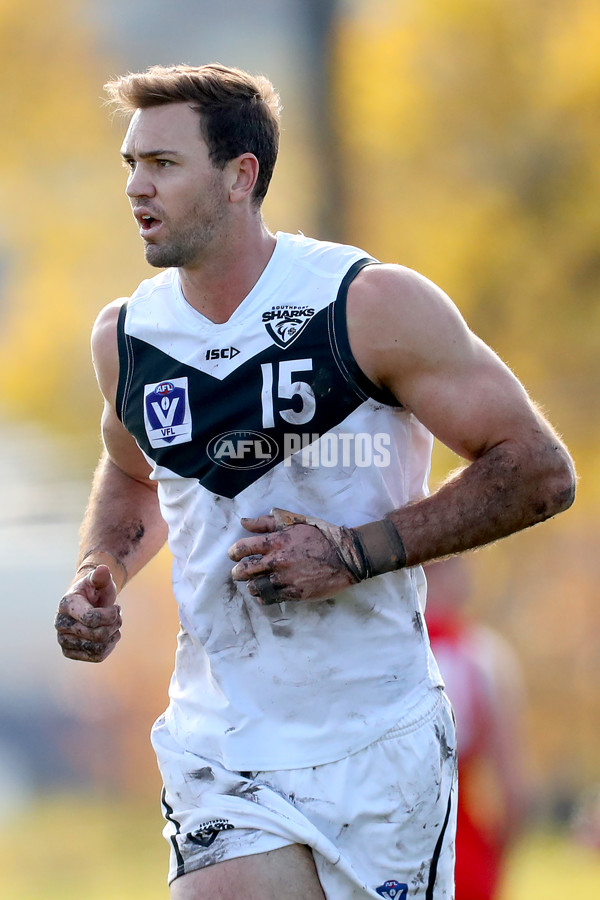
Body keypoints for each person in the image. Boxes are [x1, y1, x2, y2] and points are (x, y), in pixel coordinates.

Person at [54, 63, 575, 900]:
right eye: (130, 165)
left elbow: (538, 472)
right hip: (222, 739)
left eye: (163, 164)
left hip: (377, 742)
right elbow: (132, 473)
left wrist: (354, 552)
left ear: (239, 176)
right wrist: (101, 574)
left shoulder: (368, 305)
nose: (137, 188)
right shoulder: (130, 337)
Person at [424, 558, 529, 900]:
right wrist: (496, 858)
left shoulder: (371, 654)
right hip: (458, 852)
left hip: (377, 854)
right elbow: (514, 790)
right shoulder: (481, 656)